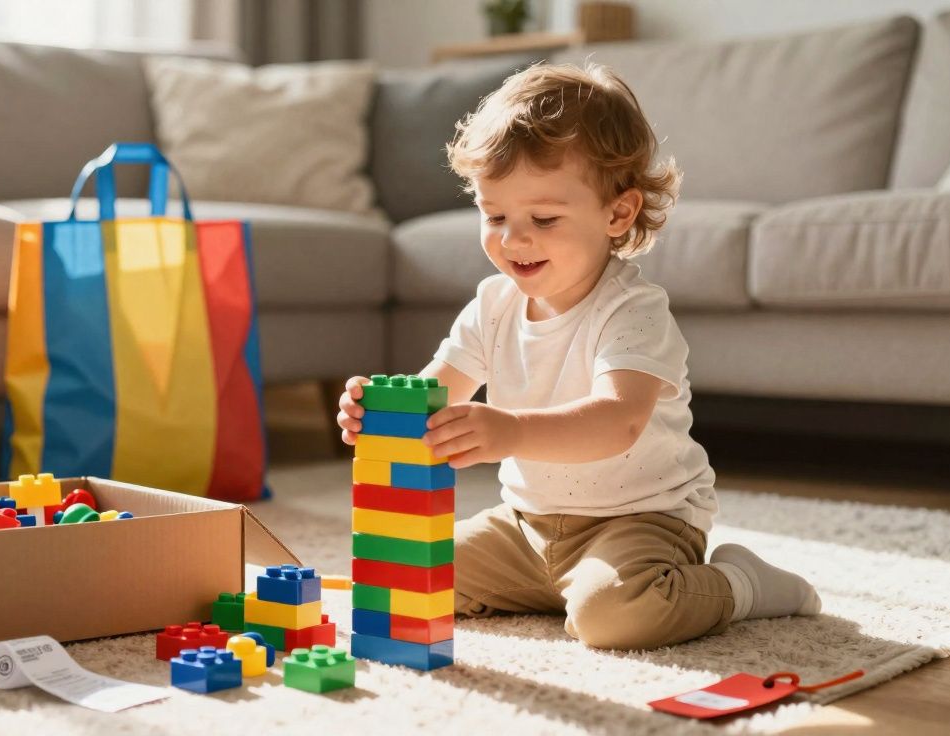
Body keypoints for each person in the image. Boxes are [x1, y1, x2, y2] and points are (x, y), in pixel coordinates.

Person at [336, 63, 820, 650]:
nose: (514, 240)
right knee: (404, 576)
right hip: (525, 526)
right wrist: (382, 412)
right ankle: (561, 588)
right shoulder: (493, 304)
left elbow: (618, 421)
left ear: (617, 214)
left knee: (614, 617)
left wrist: (508, 431)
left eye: (542, 219)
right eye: (495, 217)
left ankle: (741, 583)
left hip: (640, 521)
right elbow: (435, 395)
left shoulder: (634, 310)